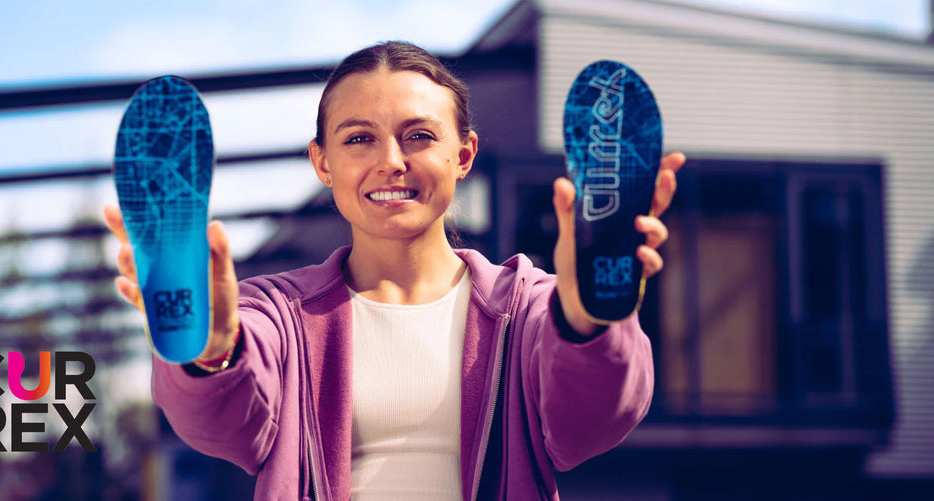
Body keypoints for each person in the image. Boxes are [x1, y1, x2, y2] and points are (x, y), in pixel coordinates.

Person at [104, 41, 683, 501]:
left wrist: (584, 325)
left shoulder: (529, 308)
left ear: (463, 156)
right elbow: (228, 430)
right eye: (359, 138)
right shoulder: (278, 313)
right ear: (322, 163)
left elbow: (591, 423)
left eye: (420, 136)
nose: (391, 162)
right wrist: (214, 353)